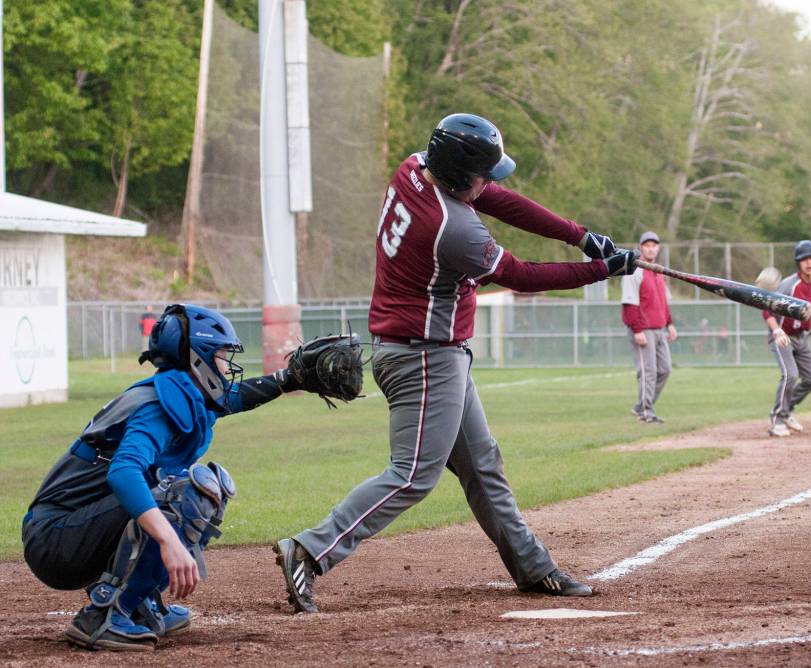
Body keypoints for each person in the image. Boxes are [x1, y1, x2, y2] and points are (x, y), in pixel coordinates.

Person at [273, 113, 638, 613]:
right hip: (423, 357)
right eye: (482, 174)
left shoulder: (416, 167)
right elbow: (520, 274)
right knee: (412, 474)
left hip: (432, 352)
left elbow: (498, 199)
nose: (488, 183)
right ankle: (311, 551)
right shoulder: (453, 228)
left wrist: (578, 235)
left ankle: (533, 568)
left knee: (482, 464)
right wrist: (599, 271)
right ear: (459, 175)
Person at [22, 304, 307, 651]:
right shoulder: (157, 406)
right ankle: (104, 616)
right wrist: (170, 543)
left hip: (75, 529)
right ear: (197, 357)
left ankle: (140, 603)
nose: (226, 364)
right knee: (187, 493)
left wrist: (287, 379)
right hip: (56, 539)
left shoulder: (178, 390)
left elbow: (231, 398)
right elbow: (124, 472)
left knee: (206, 486)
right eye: (220, 354)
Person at [763, 241, 811, 437]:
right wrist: (776, 332)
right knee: (790, 375)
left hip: (800, 337)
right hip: (782, 336)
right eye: (804, 259)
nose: (809, 262)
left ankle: (787, 410)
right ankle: (777, 420)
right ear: (798, 263)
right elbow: (767, 310)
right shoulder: (789, 285)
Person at [620, 231, 677, 423]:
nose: (651, 248)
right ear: (641, 247)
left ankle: (641, 406)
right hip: (643, 329)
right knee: (648, 371)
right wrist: (637, 330)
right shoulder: (634, 271)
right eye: (647, 245)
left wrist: (669, 324)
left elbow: (664, 302)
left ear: (658, 248)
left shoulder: (658, 272)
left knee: (665, 369)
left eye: (654, 245)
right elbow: (629, 304)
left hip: (659, 328)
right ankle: (646, 411)